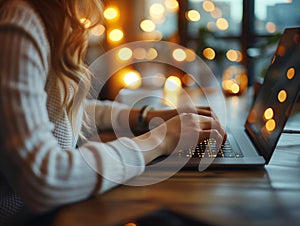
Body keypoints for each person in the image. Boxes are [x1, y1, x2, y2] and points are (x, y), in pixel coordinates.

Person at [0, 0, 225, 219]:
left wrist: (145, 117)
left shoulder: (52, 19)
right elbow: (44, 180)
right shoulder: (19, 24)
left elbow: (58, 112)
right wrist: (160, 140)